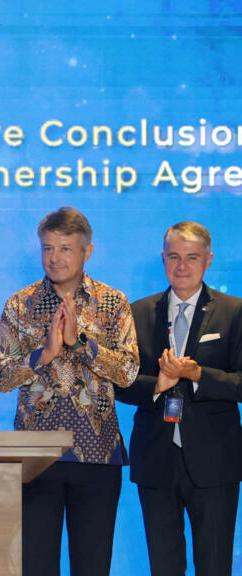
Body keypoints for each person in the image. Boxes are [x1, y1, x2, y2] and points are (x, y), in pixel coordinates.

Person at [0, 206, 139, 576]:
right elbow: (0, 376)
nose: (54, 258)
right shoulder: (20, 304)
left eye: (65, 249)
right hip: (36, 457)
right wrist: (44, 354)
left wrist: (82, 344)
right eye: (47, 249)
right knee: (36, 566)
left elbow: (129, 372)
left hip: (98, 456)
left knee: (93, 565)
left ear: (87, 251)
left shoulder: (112, 303)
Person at [114, 222, 242, 576]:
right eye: (174, 257)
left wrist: (199, 376)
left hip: (215, 461)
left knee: (214, 565)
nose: (181, 266)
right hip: (156, 459)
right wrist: (160, 384)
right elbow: (120, 385)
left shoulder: (234, 312)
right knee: (163, 566)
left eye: (191, 258)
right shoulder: (137, 313)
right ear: (163, 259)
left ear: (208, 260)